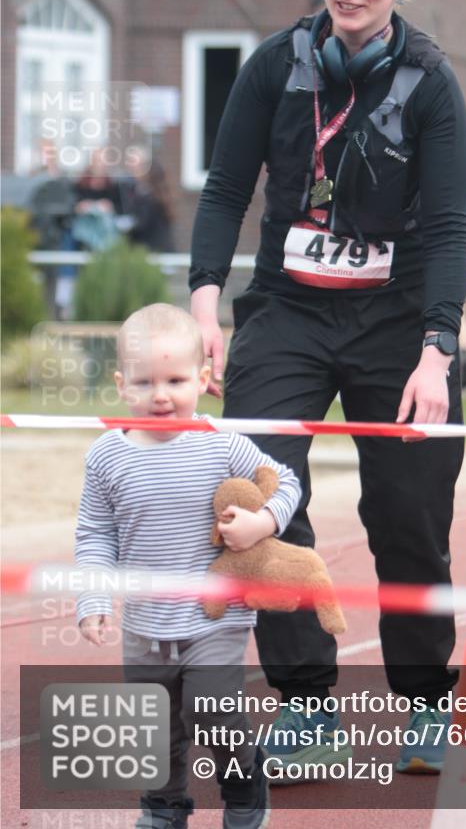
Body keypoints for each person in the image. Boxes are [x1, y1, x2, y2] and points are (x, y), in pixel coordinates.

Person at [189, 0, 466, 776]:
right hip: (289, 309)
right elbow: (225, 190)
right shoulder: (277, 66)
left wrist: (436, 350)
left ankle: (424, 706)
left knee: (408, 516)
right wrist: (205, 297)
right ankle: (308, 706)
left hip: (397, 320)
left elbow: (452, 227)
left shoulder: (430, 83)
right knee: (253, 497)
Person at [76, 303, 301, 829]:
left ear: (202, 379)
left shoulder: (223, 445)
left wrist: (262, 523)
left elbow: (286, 482)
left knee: (210, 708)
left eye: (175, 380)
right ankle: (164, 807)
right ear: (121, 385)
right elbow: (94, 533)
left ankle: (244, 785)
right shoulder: (106, 456)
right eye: (144, 381)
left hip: (214, 618)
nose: (160, 395)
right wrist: (91, 599)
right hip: (143, 623)